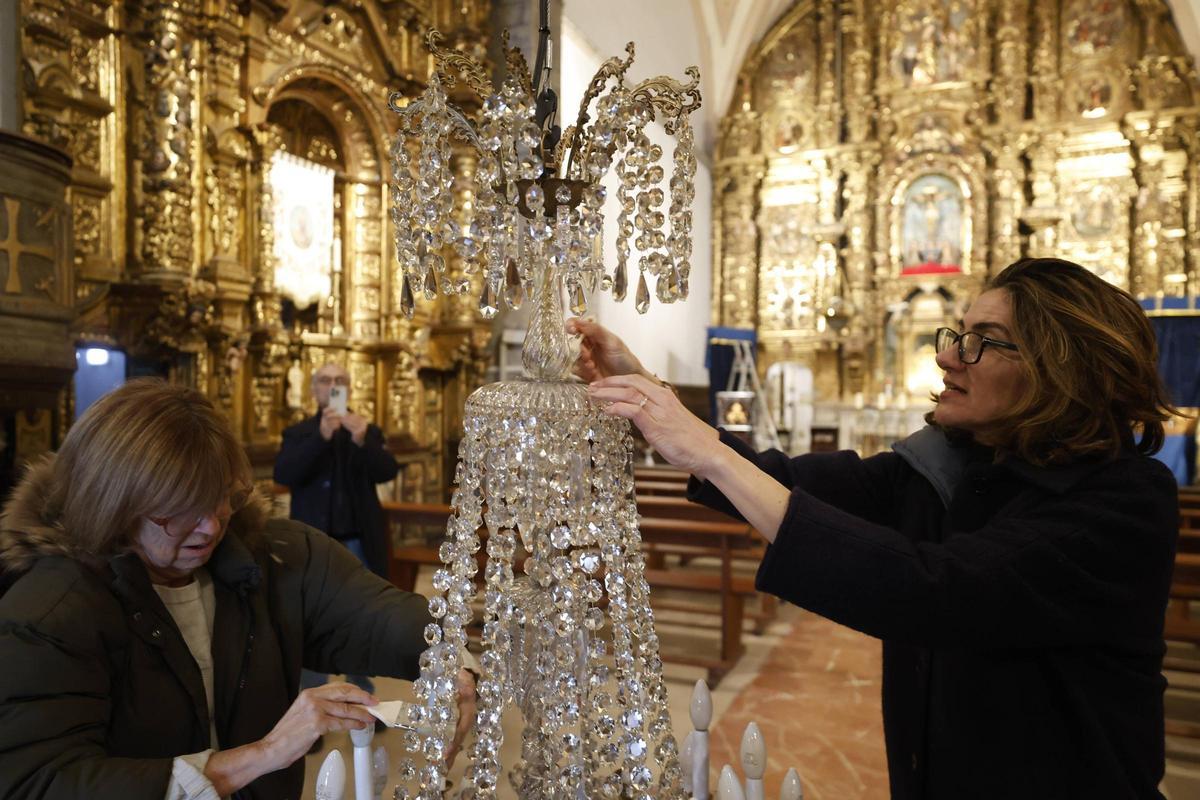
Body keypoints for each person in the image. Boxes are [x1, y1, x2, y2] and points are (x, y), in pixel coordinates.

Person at [575, 257, 1179, 799]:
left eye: (981, 342)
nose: (947, 356)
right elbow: (783, 482)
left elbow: (933, 590)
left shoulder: (1124, 501)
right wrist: (648, 394)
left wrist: (709, 453)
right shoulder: (947, 469)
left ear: (1061, 367)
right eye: (958, 335)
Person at [0, 380, 475, 799]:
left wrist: (451, 658)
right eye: (179, 510)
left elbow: (374, 614)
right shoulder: (49, 612)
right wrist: (263, 755)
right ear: (115, 504)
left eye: (223, 499)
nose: (210, 526)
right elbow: (40, 782)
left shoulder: (273, 556)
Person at [275, 362, 397, 699]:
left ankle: (361, 692)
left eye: (340, 380)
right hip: (312, 544)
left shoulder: (366, 431)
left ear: (349, 387)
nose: (332, 386)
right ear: (314, 389)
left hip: (357, 541)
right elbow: (284, 474)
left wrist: (362, 441)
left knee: (362, 616)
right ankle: (312, 695)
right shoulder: (299, 433)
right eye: (325, 380)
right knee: (311, 617)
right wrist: (321, 438)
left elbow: (387, 471)